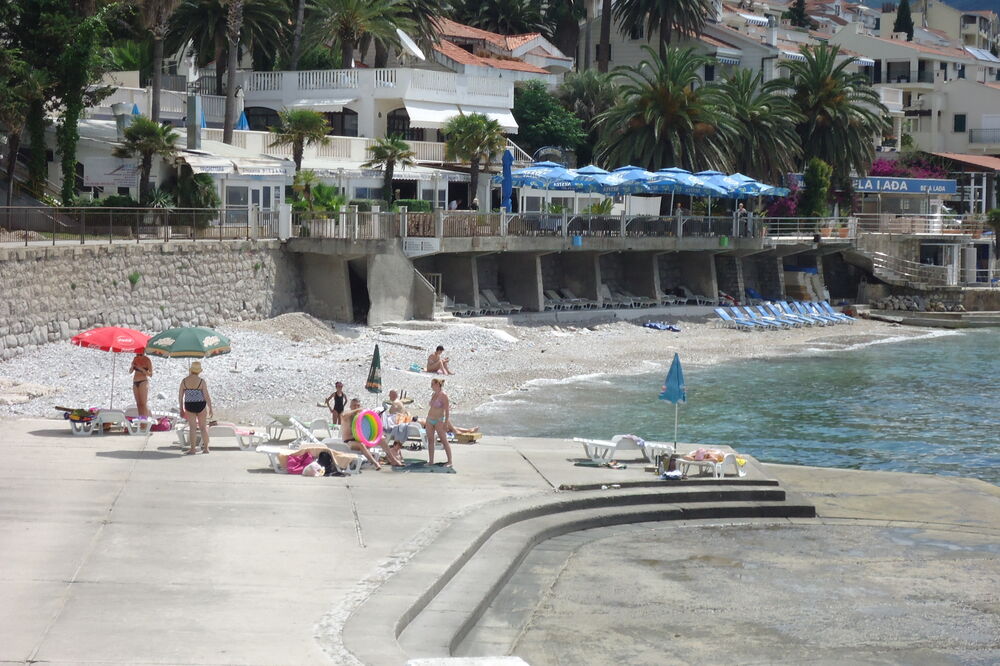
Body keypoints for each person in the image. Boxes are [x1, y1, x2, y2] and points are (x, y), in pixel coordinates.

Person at [178, 361, 213, 454]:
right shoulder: (201, 381)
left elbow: (180, 396)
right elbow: (206, 396)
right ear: (199, 371)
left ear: (191, 370)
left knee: (192, 428)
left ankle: (193, 449)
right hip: (201, 404)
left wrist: (181, 409)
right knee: (203, 428)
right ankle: (206, 448)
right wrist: (210, 408)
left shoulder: (184, 381)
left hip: (189, 404)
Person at [340, 398, 383, 470]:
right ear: (350, 406)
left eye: (358, 406)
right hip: (348, 442)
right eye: (354, 405)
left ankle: (391, 458)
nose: (356, 407)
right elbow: (343, 415)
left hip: (360, 440)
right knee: (361, 445)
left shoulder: (361, 416)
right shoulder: (347, 415)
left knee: (381, 439)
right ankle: (375, 463)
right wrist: (358, 410)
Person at [426, 378, 453, 467]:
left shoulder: (444, 395)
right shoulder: (434, 394)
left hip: (439, 420)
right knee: (430, 440)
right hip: (430, 419)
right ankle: (431, 461)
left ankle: (450, 461)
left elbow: (447, 411)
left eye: (432, 384)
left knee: (443, 440)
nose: (431, 386)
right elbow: (432, 407)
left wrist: (446, 423)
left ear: (437, 384)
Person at [130, 350, 153, 418]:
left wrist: (141, 369)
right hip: (135, 381)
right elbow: (130, 371)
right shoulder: (135, 359)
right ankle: (141, 419)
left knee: (143, 403)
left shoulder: (147, 360)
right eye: (137, 354)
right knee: (138, 404)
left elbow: (150, 374)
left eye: (140, 354)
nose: (139, 355)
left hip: (143, 381)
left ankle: (145, 420)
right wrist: (132, 366)